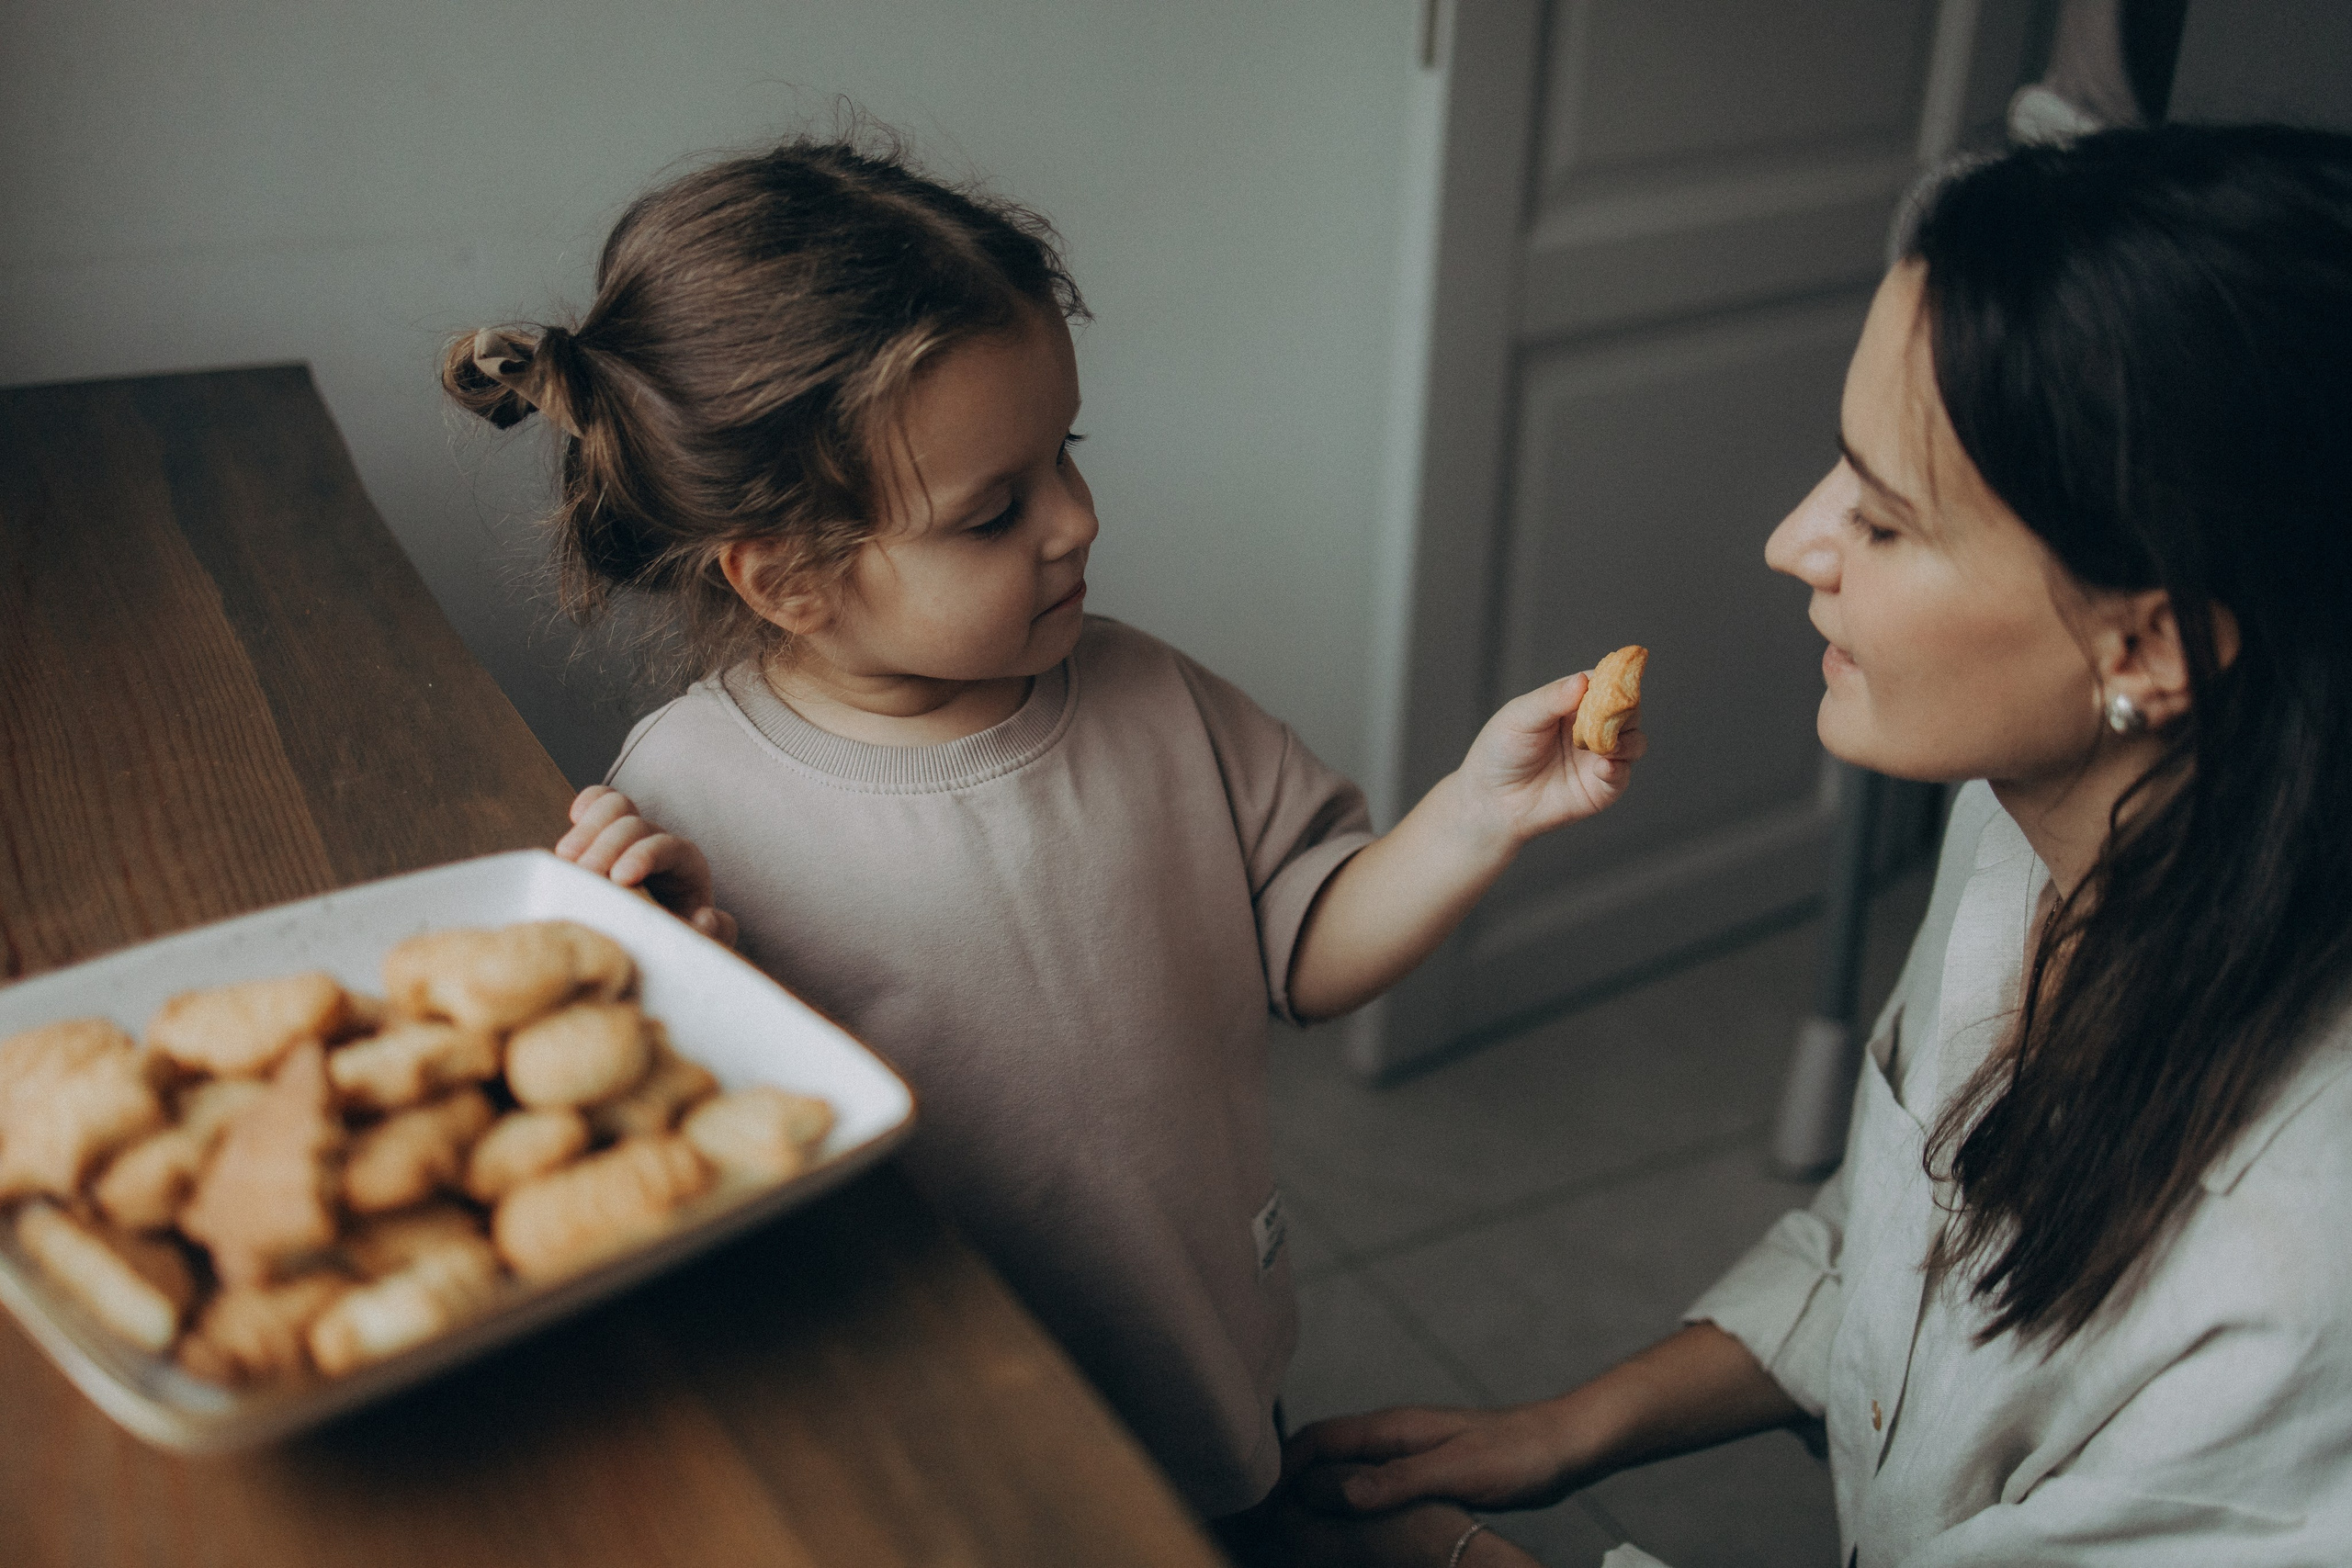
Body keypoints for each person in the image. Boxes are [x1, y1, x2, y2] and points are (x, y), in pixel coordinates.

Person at [439, 134, 1645, 1536]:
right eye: (994, 510)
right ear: (790, 581)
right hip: (929, 1421)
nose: (1076, 518)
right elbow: (691, 1137)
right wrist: (653, 950)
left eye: (1063, 454)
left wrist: (1475, 817)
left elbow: (1309, 947)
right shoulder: (691, 799)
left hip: (1198, 1354)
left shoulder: (1151, 699)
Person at [1281, 123, 2352, 1566]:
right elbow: (1889, 1257)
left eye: (1888, 520)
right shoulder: (2021, 819)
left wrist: (1453, 1560)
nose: (1795, 541)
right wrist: (1566, 1430)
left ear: (2150, 644)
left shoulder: (2304, 1270)